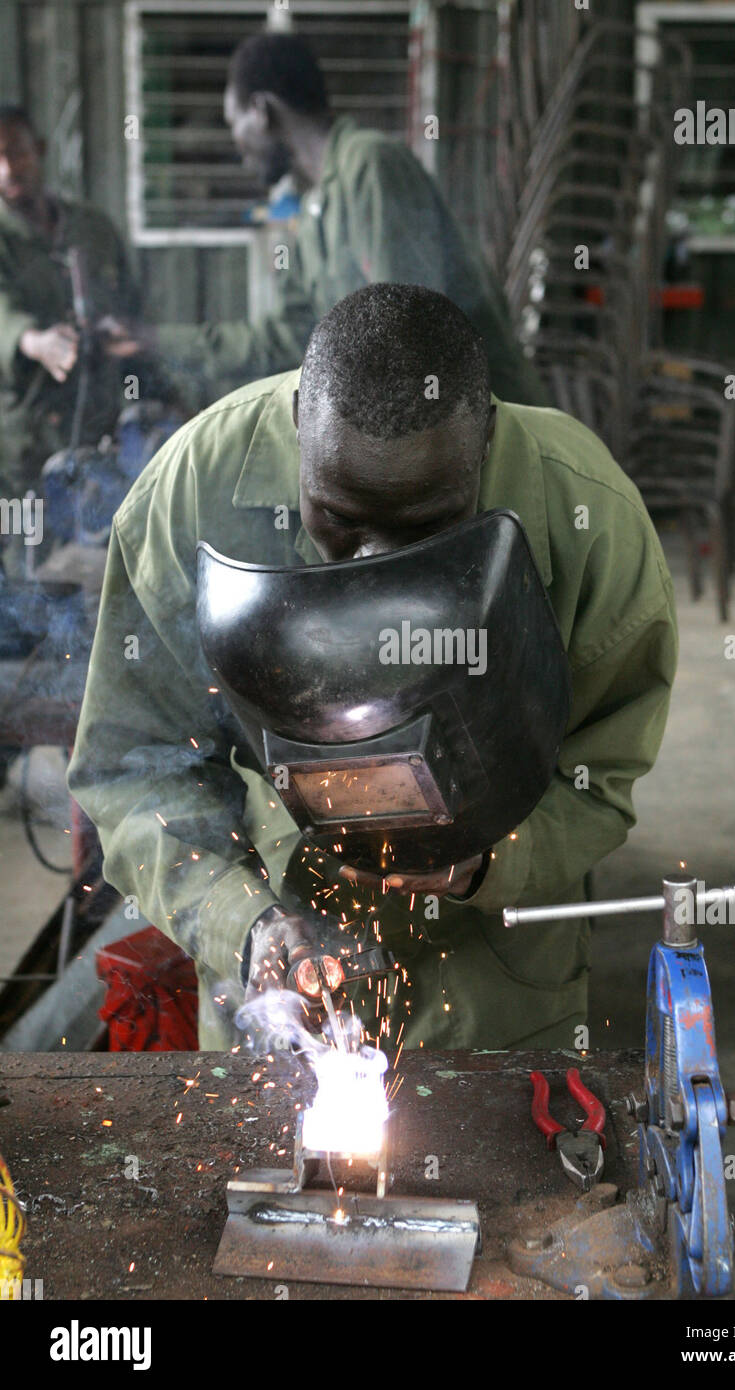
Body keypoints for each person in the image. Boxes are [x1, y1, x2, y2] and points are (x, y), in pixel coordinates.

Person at [68, 284, 677, 1050]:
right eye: (340, 520)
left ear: (483, 440)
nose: (372, 565)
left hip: (495, 997)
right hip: (280, 994)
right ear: (298, 421)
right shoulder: (191, 492)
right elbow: (134, 767)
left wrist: (488, 863)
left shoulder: (587, 515)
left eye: (423, 527)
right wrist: (245, 924)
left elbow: (603, 777)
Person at [153, 31, 548, 409]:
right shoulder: (311, 217)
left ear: (261, 112)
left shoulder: (371, 165)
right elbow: (283, 340)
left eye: (232, 123)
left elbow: (411, 333)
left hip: (492, 436)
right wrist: (154, 341)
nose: (238, 150)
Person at [0, 106, 143, 508]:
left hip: (102, 438)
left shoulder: (93, 228)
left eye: (17, 152)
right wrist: (33, 342)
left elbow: (134, 314)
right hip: (23, 455)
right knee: (29, 562)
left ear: (40, 150)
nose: (8, 168)